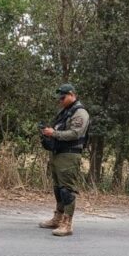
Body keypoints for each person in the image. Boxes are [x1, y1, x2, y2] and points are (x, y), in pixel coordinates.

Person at [38, 83, 90, 237]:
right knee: (58, 189)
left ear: (72, 94)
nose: (60, 100)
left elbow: (75, 133)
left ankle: (67, 223)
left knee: (67, 190)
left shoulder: (80, 113)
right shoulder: (65, 112)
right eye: (59, 97)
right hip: (58, 153)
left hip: (69, 155)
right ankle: (58, 218)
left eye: (63, 97)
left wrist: (53, 133)